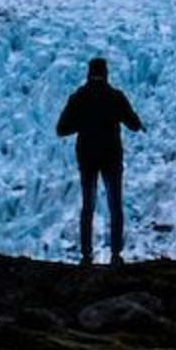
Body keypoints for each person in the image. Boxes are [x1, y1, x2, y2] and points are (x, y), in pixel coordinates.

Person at [54, 55, 144, 264]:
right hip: (111, 156)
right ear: (106, 73)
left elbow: (61, 129)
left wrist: (84, 124)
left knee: (88, 205)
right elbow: (133, 124)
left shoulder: (79, 97)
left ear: (88, 73)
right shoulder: (115, 96)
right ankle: (115, 254)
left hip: (87, 156)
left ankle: (87, 254)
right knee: (115, 205)